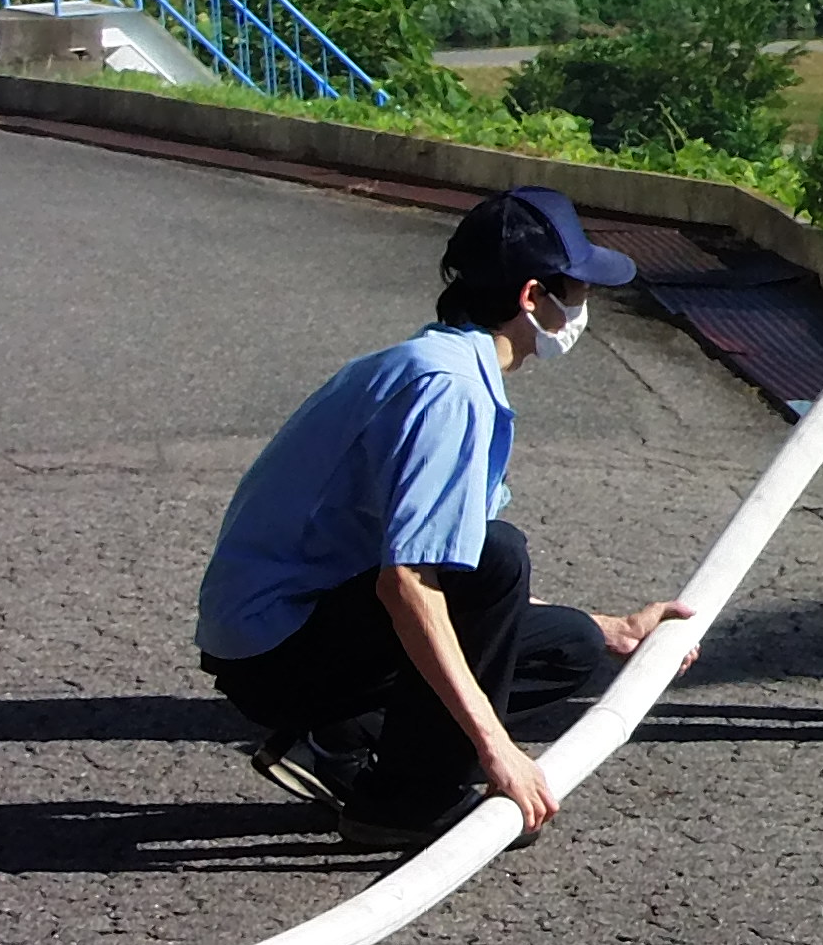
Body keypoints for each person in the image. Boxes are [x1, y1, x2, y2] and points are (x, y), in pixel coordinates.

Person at [197, 186, 694, 851]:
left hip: (299, 628)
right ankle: (404, 801)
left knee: (569, 643)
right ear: (531, 298)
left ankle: (339, 736)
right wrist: (498, 751)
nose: (582, 307)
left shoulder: (445, 363)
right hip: (276, 650)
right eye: (575, 289)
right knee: (500, 558)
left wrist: (612, 628)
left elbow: (450, 569)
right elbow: (409, 582)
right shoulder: (448, 390)